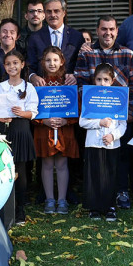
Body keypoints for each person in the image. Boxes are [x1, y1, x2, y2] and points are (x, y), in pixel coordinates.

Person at [74, 16, 133, 209]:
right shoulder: (87, 54)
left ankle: (120, 192)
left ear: (117, 31)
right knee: (94, 159)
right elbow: (80, 83)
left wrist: (131, 113)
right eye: (104, 29)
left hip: (119, 119)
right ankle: (95, 195)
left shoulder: (128, 54)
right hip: (93, 118)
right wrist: (92, 108)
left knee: (120, 157)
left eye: (112, 29)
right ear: (97, 30)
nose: (108, 33)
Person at [0, 51, 38, 228]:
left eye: (15, 63)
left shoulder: (28, 87)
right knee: (3, 168)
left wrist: (21, 113)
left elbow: (33, 112)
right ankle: (2, 207)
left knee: (21, 171)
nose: (12, 67)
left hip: (21, 128)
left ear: (22, 64)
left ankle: (20, 209)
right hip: (4, 129)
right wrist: (0, 118)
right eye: (8, 64)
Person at [33, 47, 79, 215]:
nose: (52, 63)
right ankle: (49, 199)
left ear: (61, 62)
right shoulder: (39, 83)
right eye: (48, 60)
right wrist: (43, 121)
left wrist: (67, 120)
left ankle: (62, 200)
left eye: (55, 60)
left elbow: (76, 108)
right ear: (43, 63)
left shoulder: (68, 83)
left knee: (61, 164)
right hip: (44, 129)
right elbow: (31, 108)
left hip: (64, 129)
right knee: (46, 164)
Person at [81, 64, 126, 221]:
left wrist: (113, 136)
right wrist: (99, 123)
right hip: (93, 143)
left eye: (106, 79)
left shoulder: (119, 98)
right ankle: (94, 207)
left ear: (112, 81)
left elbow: (123, 124)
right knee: (94, 175)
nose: (102, 83)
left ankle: (110, 206)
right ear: (94, 80)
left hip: (111, 145)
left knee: (111, 175)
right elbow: (82, 122)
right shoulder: (90, 98)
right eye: (99, 79)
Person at [27, 0, 85, 83]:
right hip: (43, 89)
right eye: (49, 11)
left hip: (68, 88)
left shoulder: (76, 37)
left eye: (56, 11)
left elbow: (82, 64)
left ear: (64, 13)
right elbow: (29, 65)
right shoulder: (35, 37)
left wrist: (76, 75)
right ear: (45, 14)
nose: (53, 15)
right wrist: (32, 76)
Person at [0, 19, 20, 83]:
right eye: (4, 31)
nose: (8, 35)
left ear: (17, 36)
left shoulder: (24, 54)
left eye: (12, 32)